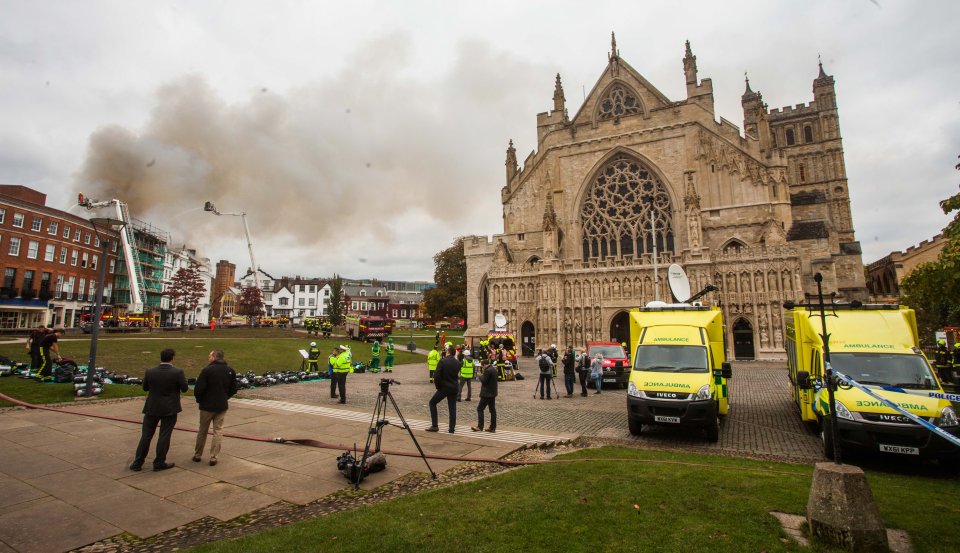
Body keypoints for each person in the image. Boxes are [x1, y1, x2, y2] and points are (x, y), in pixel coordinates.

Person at [130, 348, 188, 471]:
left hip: (152, 407)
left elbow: (145, 388)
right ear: (172, 358)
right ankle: (159, 462)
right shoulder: (177, 372)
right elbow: (185, 388)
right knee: (164, 435)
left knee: (146, 436)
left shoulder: (150, 371)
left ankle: (137, 462)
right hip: (169, 408)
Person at [192, 349, 237, 466]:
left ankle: (198, 454)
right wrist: (225, 397)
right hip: (221, 405)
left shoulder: (207, 370)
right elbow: (234, 389)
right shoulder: (230, 370)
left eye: (210, 356)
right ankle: (214, 457)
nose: (208, 358)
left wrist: (199, 400)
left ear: (215, 357)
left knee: (203, 430)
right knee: (218, 430)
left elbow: (198, 389)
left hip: (207, 405)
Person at [427, 344, 459, 433]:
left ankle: (434, 425)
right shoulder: (457, 362)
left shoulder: (442, 361)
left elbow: (436, 376)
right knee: (452, 408)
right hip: (454, 387)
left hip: (444, 387)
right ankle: (451, 428)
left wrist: (438, 387)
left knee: (432, 403)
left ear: (448, 352)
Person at [471, 358, 498, 433]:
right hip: (493, 393)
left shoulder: (488, 370)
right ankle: (492, 427)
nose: (482, 368)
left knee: (480, 409)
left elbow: (484, 381)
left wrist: (480, 375)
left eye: (482, 366)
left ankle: (480, 426)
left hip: (486, 394)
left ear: (484, 365)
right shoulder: (493, 369)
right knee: (492, 410)